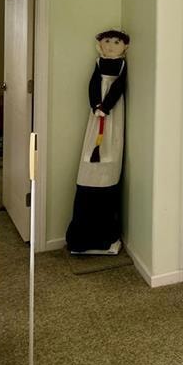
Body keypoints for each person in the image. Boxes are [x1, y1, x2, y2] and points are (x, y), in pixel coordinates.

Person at [66, 29, 129, 254]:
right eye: (107, 42)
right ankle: (83, 238)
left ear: (124, 46)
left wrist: (107, 105)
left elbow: (119, 87)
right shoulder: (99, 63)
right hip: (97, 116)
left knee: (110, 146)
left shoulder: (121, 66)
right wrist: (96, 105)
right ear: (100, 45)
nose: (111, 46)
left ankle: (107, 238)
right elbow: (93, 84)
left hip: (112, 115)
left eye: (116, 42)